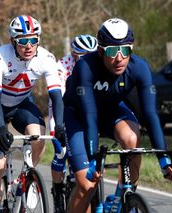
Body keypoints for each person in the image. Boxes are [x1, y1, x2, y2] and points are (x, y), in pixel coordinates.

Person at [63, 18, 172, 212]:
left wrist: (164, 160)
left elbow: (150, 114)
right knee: (87, 185)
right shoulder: (85, 67)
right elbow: (90, 116)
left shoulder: (139, 67)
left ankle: (124, 195)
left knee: (132, 138)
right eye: (113, 51)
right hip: (78, 115)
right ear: (101, 50)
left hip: (110, 110)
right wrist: (93, 159)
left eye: (126, 50)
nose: (119, 58)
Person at [0, 15, 67, 213]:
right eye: (23, 41)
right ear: (12, 41)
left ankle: (28, 178)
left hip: (22, 103)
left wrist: (59, 125)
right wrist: (1, 127)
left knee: (38, 135)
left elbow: (56, 96)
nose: (29, 46)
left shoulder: (46, 58)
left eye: (33, 40)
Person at [49, 34, 97, 213]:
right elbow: (58, 99)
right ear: (74, 55)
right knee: (60, 153)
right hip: (62, 111)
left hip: (85, 113)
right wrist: (59, 126)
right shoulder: (62, 66)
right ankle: (57, 190)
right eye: (83, 56)